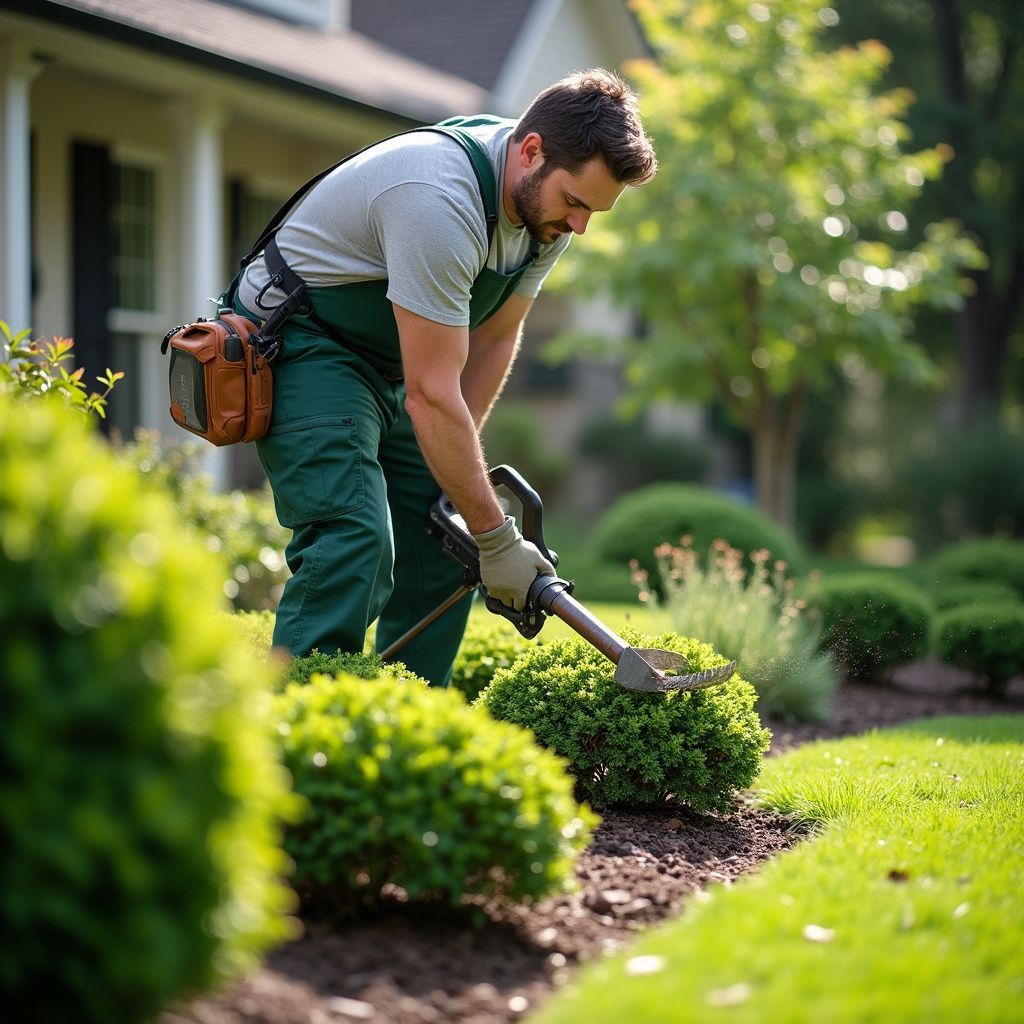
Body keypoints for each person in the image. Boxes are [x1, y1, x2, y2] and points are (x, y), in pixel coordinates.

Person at [229, 68, 657, 686]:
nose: (581, 225)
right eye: (575, 202)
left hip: (394, 362)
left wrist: (454, 482)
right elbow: (432, 393)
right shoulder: (438, 198)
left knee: (439, 537)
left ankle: (408, 730)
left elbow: (493, 336)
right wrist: (497, 537)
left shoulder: (546, 215)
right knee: (354, 538)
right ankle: (303, 731)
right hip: (304, 344)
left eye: (595, 211)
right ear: (530, 149)